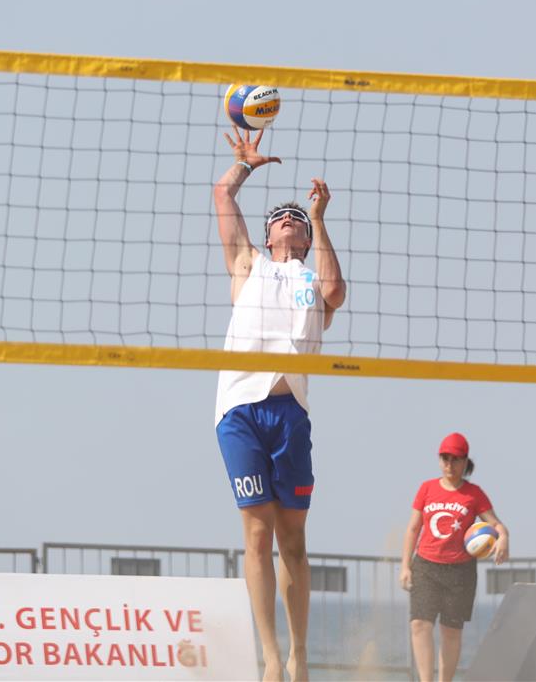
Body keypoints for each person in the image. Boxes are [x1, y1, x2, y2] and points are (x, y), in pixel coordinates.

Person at [212, 125, 346, 682]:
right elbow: (223, 194)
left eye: (297, 218)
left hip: (291, 413)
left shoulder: (312, 280)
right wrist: (245, 164)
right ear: (268, 236)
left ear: (305, 239)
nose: (289, 218)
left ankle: (299, 655)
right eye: (281, 217)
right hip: (241, 410)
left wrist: (319, 217)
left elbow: (337, 293)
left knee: (294, 540)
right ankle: (270, 657)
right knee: (257, 534)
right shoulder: (249, 264)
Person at [400, 432, 509, 682]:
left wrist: (503, 537)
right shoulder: (426, 488)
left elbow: (497, 524)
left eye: (455, 459)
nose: (449, 464)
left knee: (451, 631)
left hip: (460, 572)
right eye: (445, 458)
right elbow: (413, 529)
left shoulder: (474, 494)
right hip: (426, 566)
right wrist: (405, 566)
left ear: (465, 461)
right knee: (419, 624)